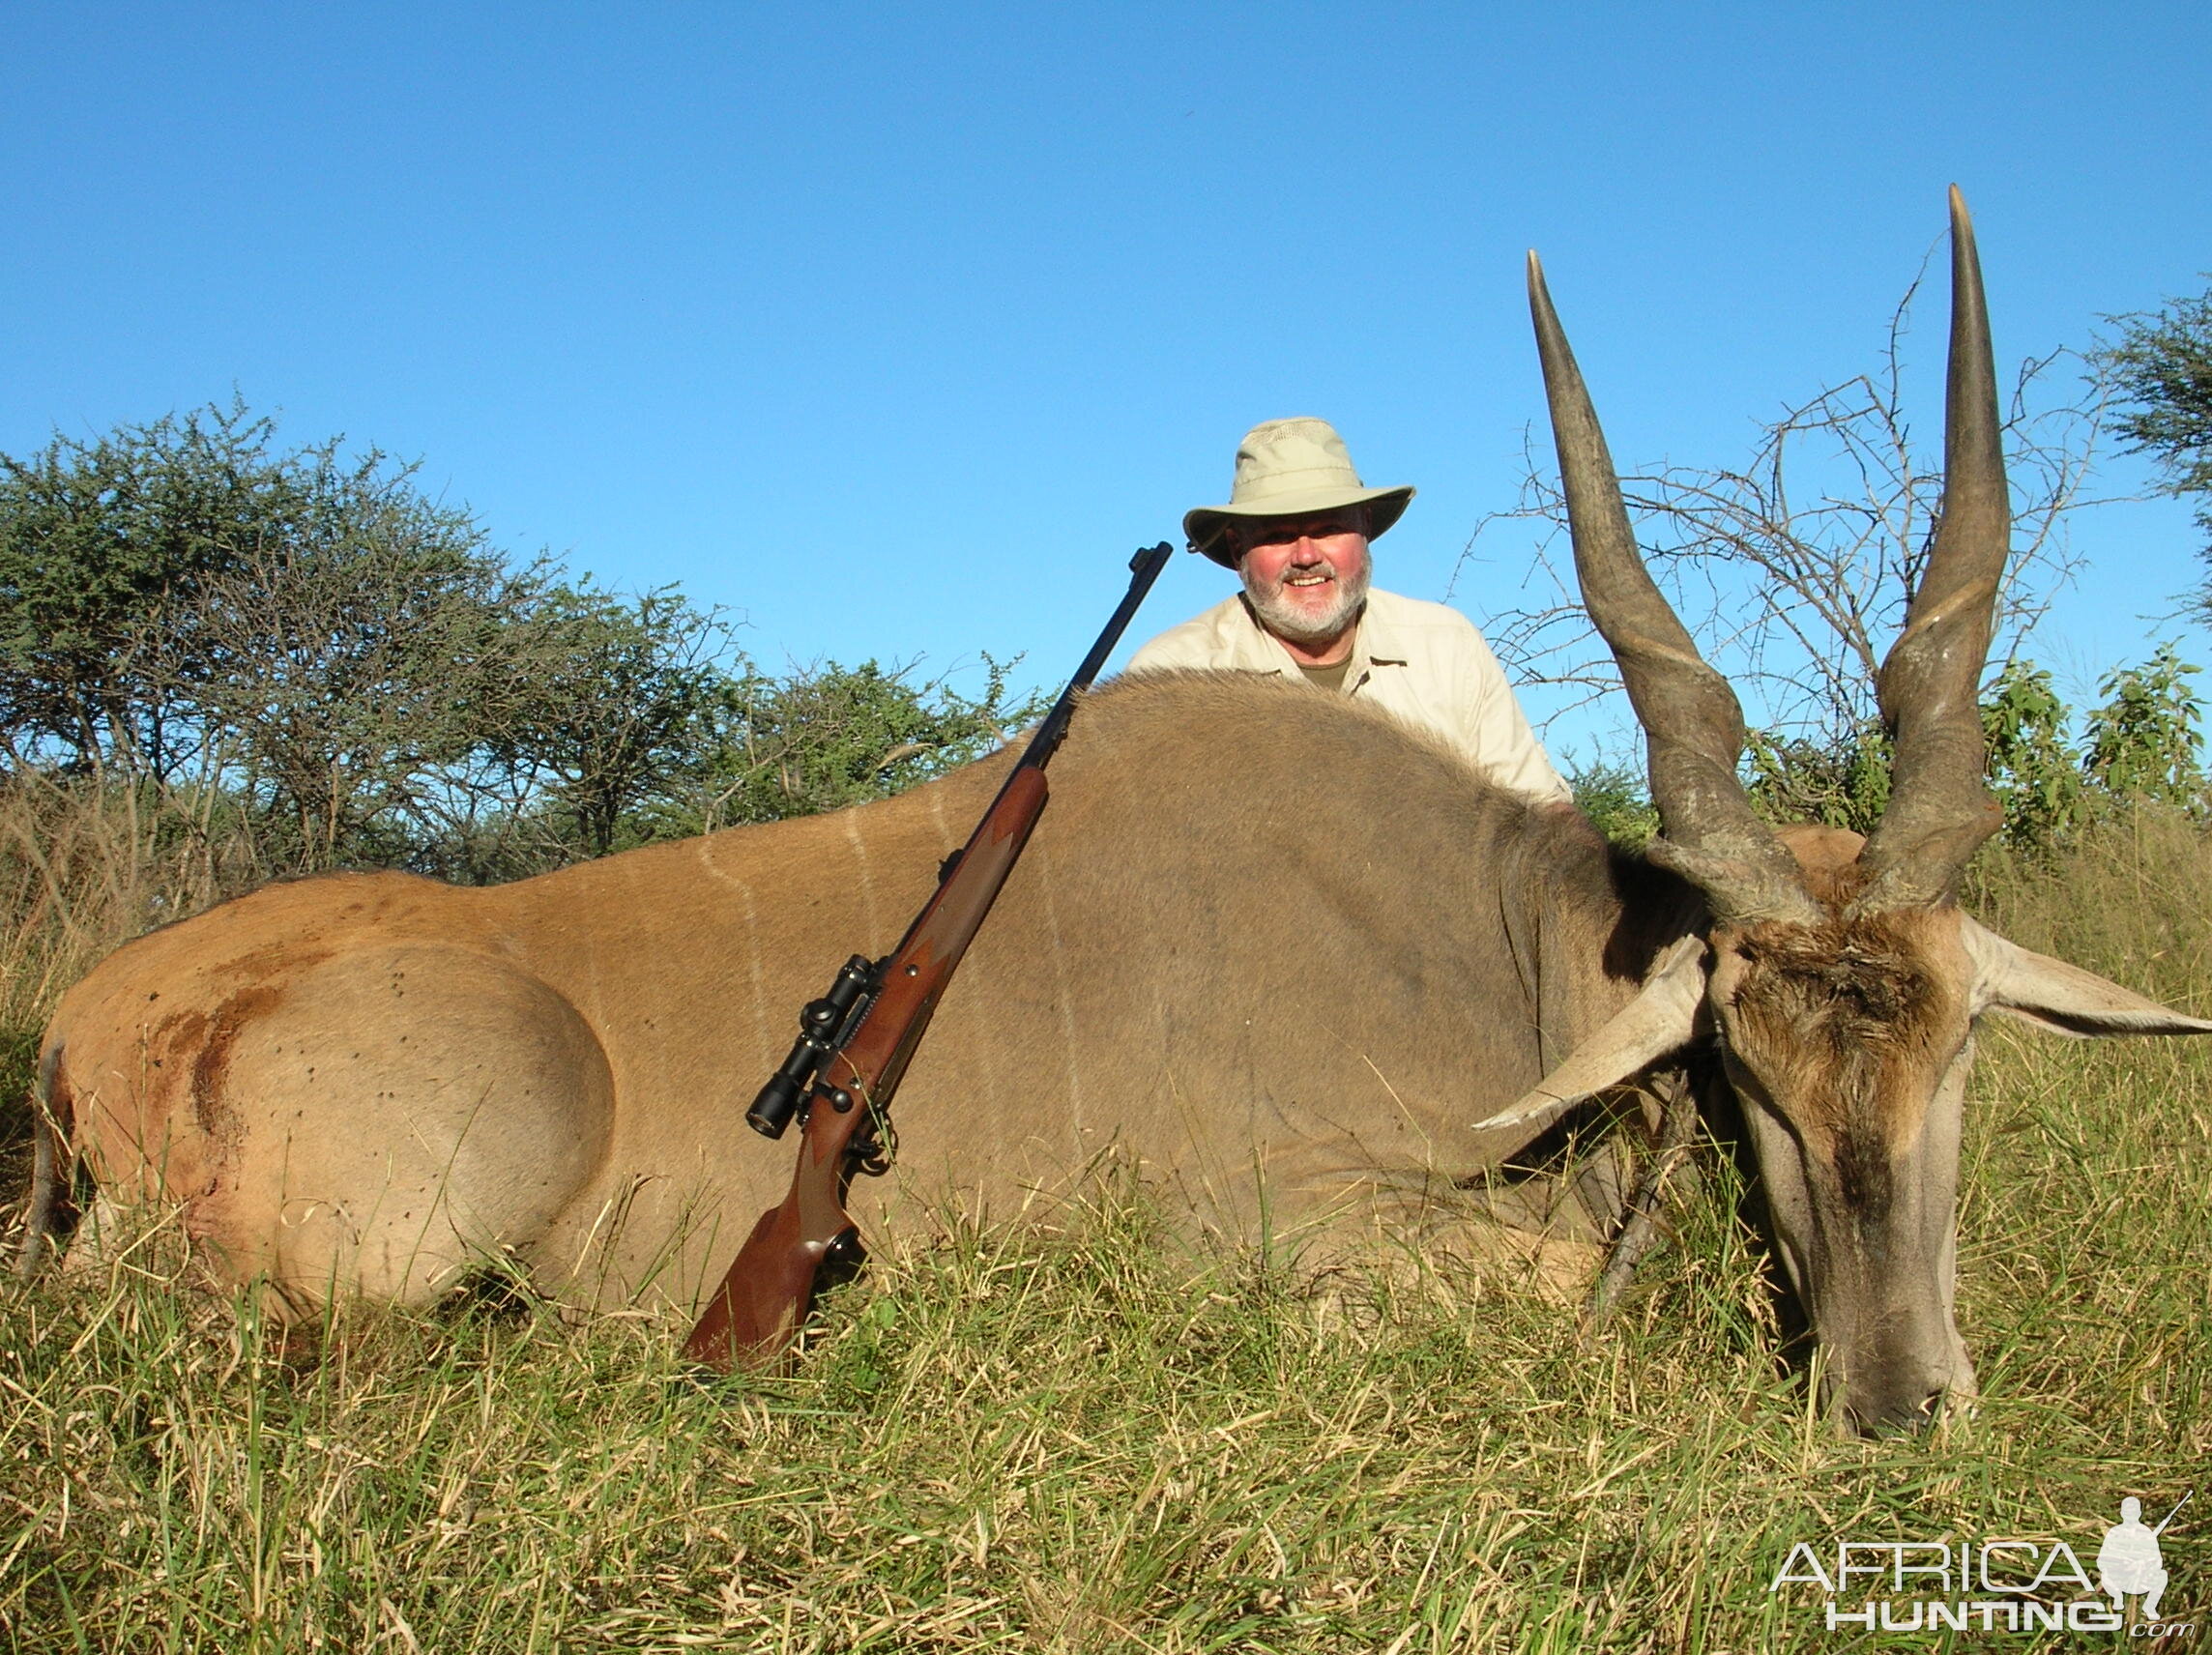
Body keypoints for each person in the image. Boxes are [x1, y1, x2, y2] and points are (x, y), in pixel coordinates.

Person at [1128, 417, 1571, 805]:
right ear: (1237, 547)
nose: (1305, 557)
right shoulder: (1173, 671)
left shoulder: (1448, 644)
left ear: (1365, 531)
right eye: (1279, 535)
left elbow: (1536, 810)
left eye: (1329, 529)